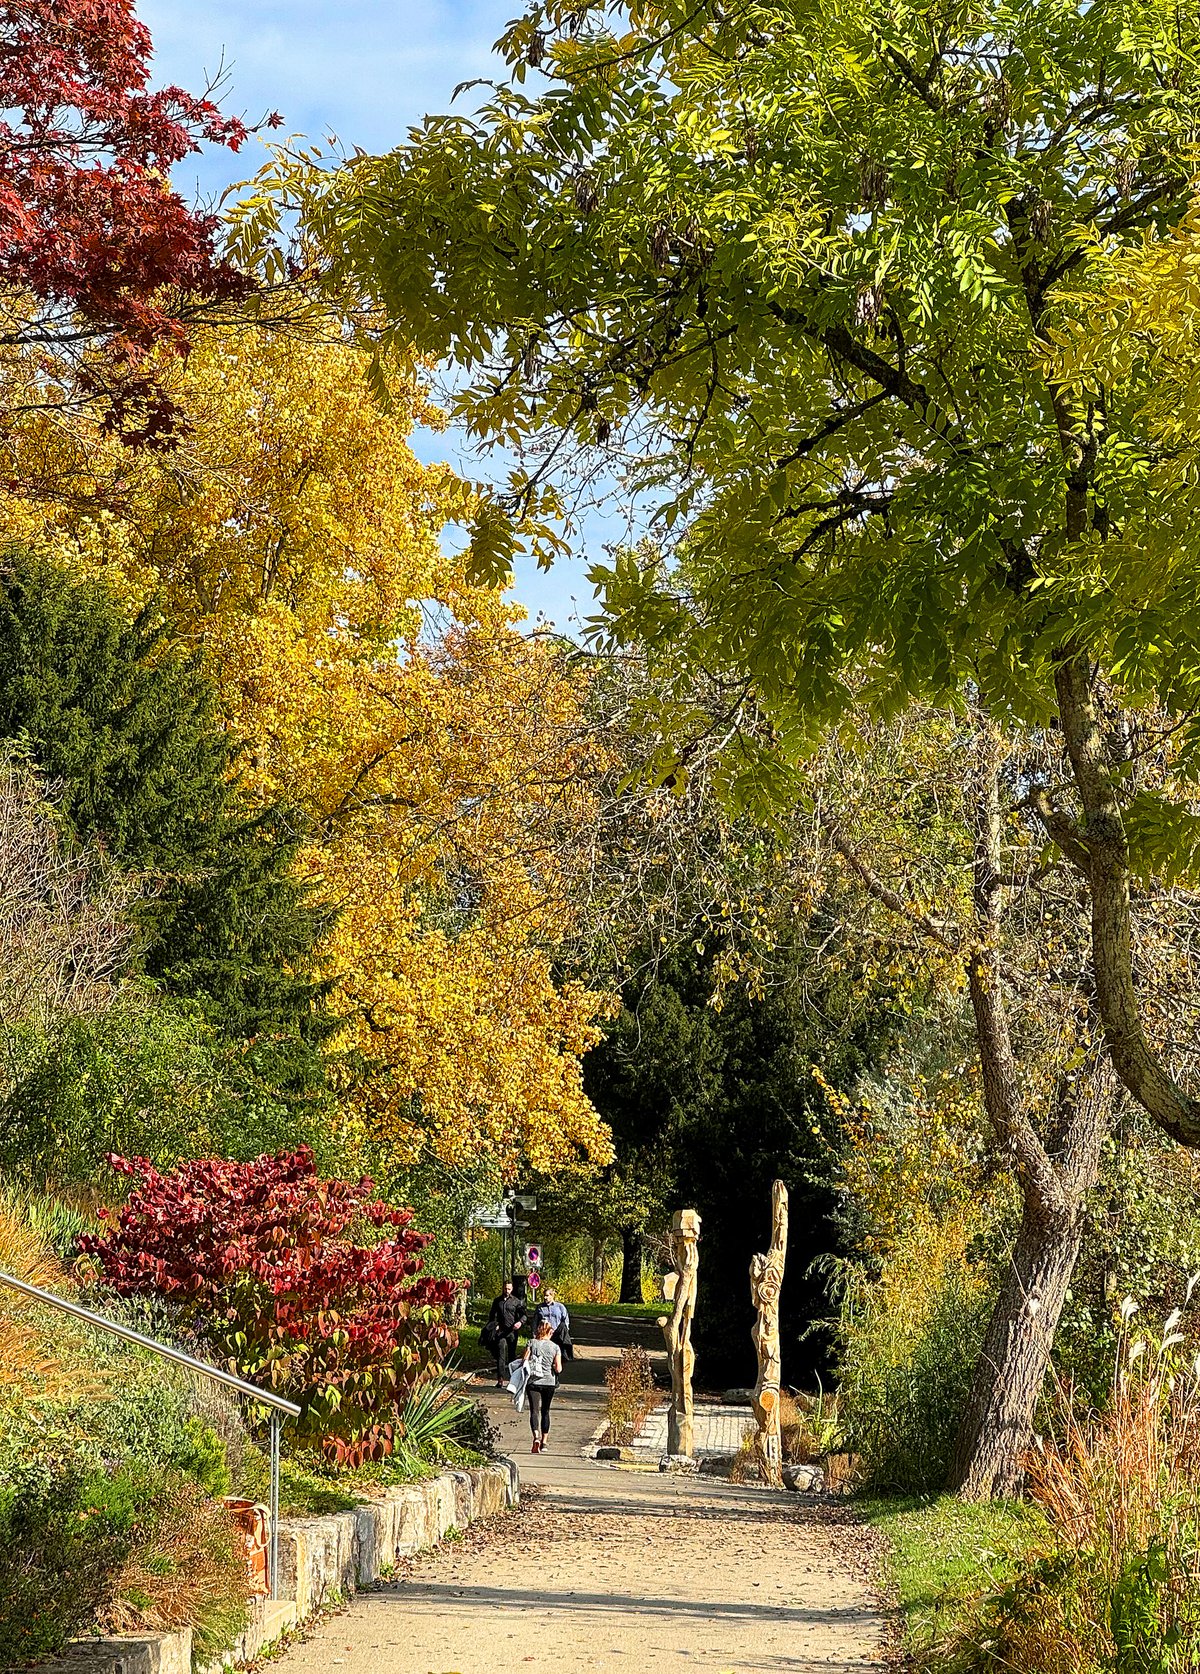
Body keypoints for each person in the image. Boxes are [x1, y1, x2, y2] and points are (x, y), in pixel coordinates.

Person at [522, 1317, 562, 1452]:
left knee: (534, 1410)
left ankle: (536, 1436)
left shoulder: (531, 1343)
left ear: (538, 1330)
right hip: (549, 1382)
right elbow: (558, 1368)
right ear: (550, 1332)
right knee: (546, 1411)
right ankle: (544, 1442)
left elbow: (524, 1361)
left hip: (533, 1381)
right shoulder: (555, 1347)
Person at [486, 1279, 526, 1388]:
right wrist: (494, 1325)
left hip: (512, 1332)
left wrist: (520, 1323)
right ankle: (500, 1379)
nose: (507, 1290)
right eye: (505, 1288)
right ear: (502, 1288)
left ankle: (513, 1380)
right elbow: (492, 1316)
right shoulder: (497, 1301)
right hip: (500, 1332)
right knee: (501, 1354)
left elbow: (524, 1315)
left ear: (512, 1289)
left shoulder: (516, 1302)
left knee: (512, 1356)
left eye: (509, 1289)